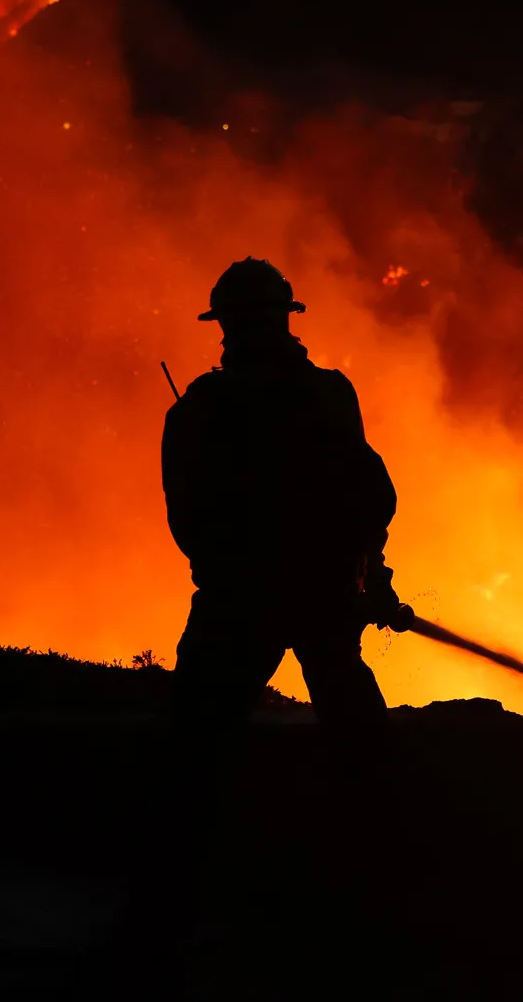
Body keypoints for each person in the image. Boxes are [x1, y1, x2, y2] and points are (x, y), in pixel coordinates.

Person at [162, 257, 411, 775]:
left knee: (196, 739)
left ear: (225, 324)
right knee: (358, 734)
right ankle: (382, 817)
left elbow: (189, 518)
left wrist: (229, 574)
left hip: (239, 602)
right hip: (320, 594)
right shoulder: (328, 394)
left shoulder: (201, 407)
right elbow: (369, 498)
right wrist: (367, 576)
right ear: (285, 318)